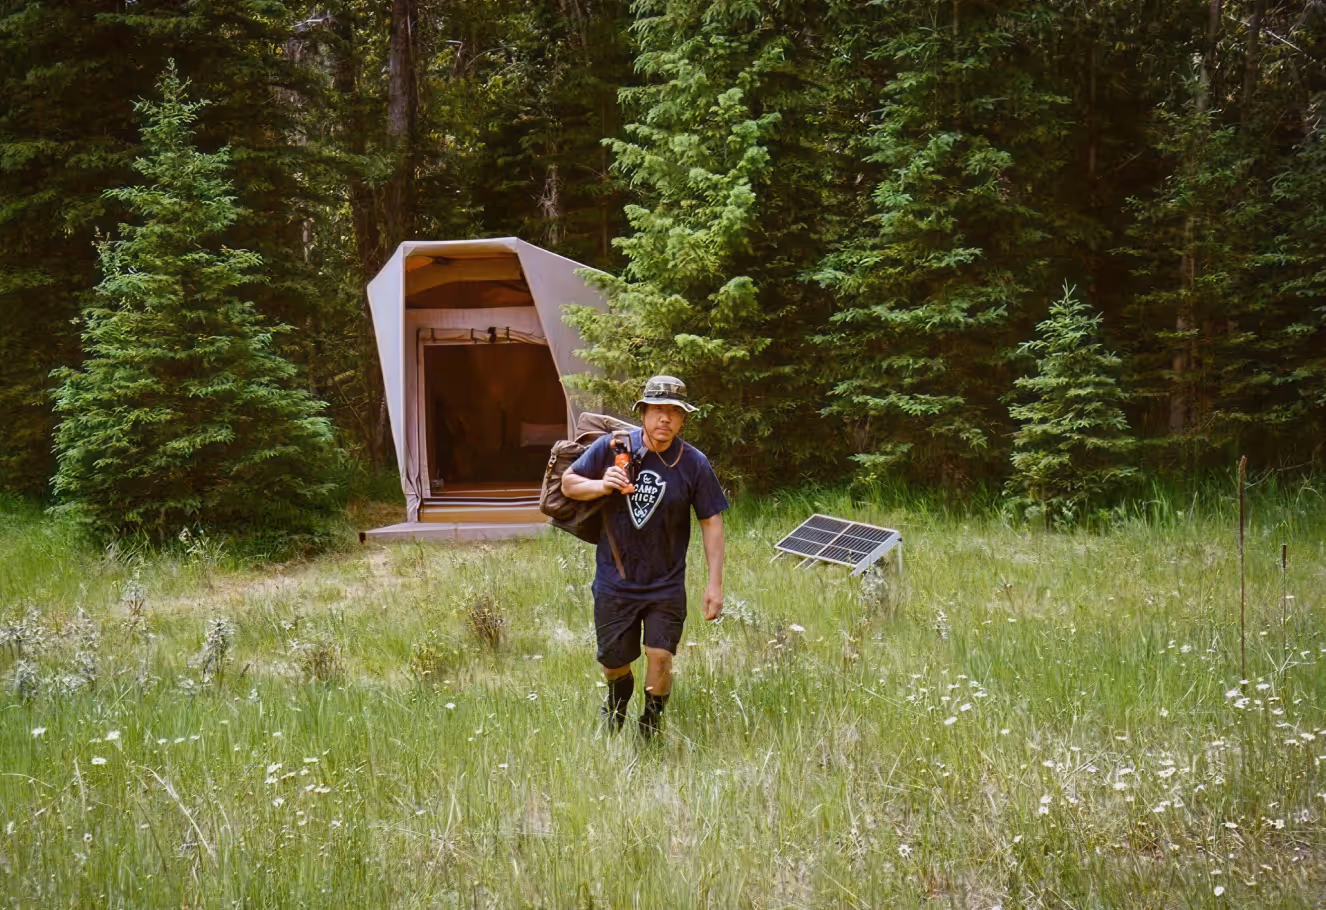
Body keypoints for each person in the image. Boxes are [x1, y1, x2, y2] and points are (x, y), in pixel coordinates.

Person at [560, 375, 728, 739]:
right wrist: (601, 484)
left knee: (661, 657)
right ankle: (617, 701)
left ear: (683, 419)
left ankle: (650, 727)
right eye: (657, 410)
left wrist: (714, 585)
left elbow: (711, 520)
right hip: (614, 580)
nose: (664, 418)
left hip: (665, 584)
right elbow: (568, 483)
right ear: (643, 413)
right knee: (614, 664)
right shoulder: (612, 447)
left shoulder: (693, 463)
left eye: (673, 412)